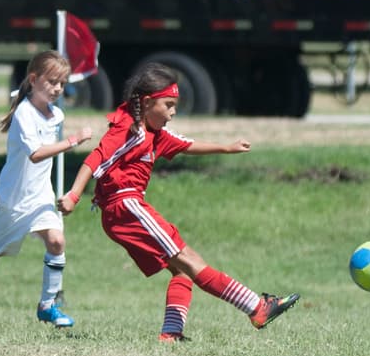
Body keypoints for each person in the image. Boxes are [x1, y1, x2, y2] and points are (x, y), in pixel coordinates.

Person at [58, 62, 299, 341]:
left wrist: (226, 147)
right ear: (147, 102)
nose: (173, 113)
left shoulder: (154, 134)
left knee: (181, 272)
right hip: (126, 206)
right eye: (169, 105)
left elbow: (186, 144)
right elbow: (95, 158)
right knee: (191, 260)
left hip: (121, 213)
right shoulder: (129, 130)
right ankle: (256, 307)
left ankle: (171, 334)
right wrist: (74, 194)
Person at [0, 50, 93, 330]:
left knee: (57, 242)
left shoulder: (57, 114)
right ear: (34, 79)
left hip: (39, 197)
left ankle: (47, 306)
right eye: (52, 82)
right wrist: (74, 140)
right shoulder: (24, 112)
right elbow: (36, 154)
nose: (58, 89)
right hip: (11, 201)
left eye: (62, 83)